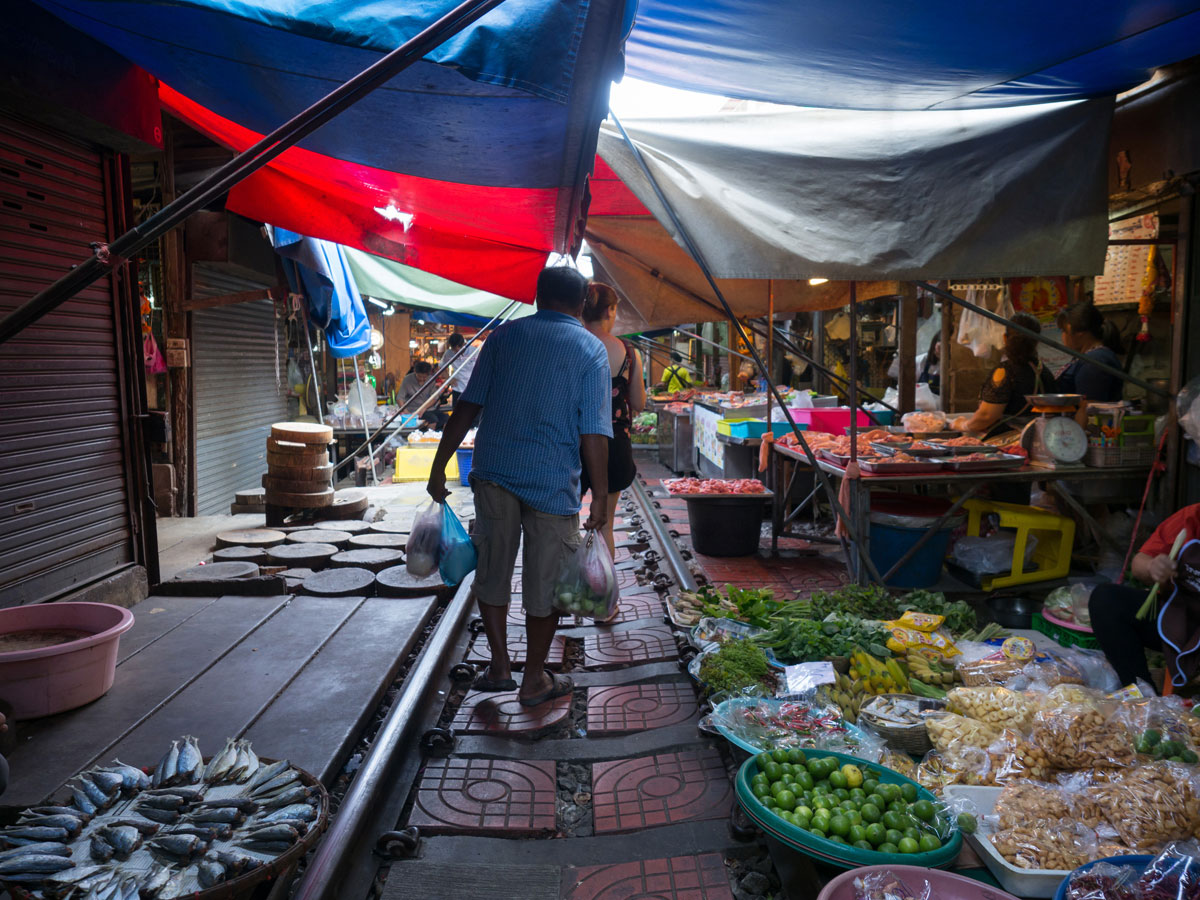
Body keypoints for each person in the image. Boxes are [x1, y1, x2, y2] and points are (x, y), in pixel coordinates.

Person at [427, 267, 611, 707]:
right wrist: (601, 494)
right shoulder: (591, 349)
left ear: (536, 296)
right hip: (552, 482)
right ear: (584, 302)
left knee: (493, 571)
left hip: (496, 473)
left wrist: (439, 465)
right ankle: (533, 679)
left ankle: (499, 666)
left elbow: (467, 408)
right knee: (547, 582)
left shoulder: (503, 339)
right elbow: (594, 432)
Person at [580, 282, 646, 608]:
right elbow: (639, 402)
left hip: (572, 443)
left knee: (564, 523)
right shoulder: (628, 352)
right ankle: (604, 603)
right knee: (605, 521)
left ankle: (562, 597)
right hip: (614, 444)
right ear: (610, 310)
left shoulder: (571, 345)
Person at [1090, 503, 1200, 689]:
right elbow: (1140, 563)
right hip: (1177, 621)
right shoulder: (1192, 517)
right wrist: (1153, 567)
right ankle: (1141, 696)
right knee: (1107, 600)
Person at [953, 312, 1051, 439]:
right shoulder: (1044, 371)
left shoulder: (1005, 372)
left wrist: (962, 424)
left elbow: (986, 416)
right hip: (1040, 438)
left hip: (1010, 442)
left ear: (1005, 338)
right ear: (1037, 341)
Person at [1055, 301, 1125, 404]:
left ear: (1080, 333)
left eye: (1064, 331)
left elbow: (1089, 409)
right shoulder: (1087, 357)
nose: (1063, 336)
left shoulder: (1095, 361)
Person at [398, 361, 447, 429]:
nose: (422, 379)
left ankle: (438, 437)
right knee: (433, 419)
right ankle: (427, 437)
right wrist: (405, 411)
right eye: (419, 376)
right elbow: (400, 398)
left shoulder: (431, 379)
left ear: (428, 374)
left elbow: (434, 398)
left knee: (446, 418)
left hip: (428, 409)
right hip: (414, 410)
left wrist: (424, 408)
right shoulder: (407, 379)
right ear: (415, 372)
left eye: (424, 377)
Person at [444, 332, 482, 406]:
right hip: (458, 388)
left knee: (473, 414)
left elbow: (481, 368)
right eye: (454, 349)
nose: (455, 352)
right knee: (457, 414)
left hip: (473, 388)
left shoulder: (474, 351)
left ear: (463, 344)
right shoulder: (448, 353)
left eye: (458, 349)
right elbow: (441, 367)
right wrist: (449, 379)